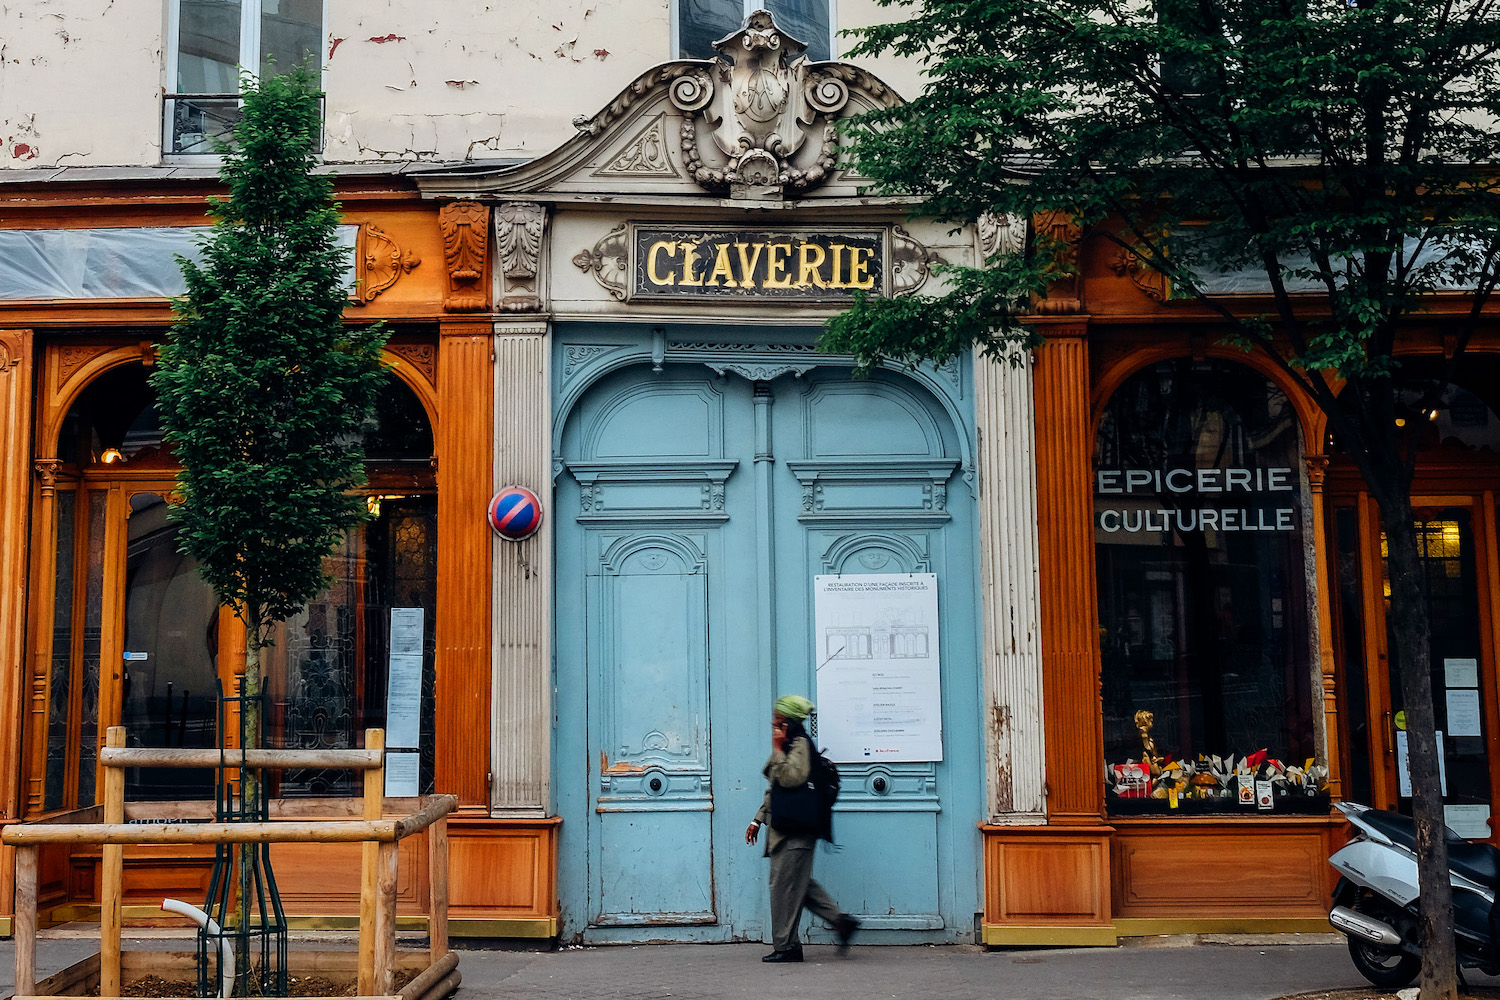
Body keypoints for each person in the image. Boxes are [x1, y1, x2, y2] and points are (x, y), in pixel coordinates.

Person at [745, 694, 860, 963]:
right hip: (788, 830)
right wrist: (757, 820)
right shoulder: (790, 744)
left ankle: (787, 947)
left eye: (777, 717)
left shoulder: (800, 745)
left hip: (794, 832)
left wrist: (777, 749)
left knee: (784, 889)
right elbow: (775, 789)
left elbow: (789, 778)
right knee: (798, 885)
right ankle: (842, 923)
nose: (773, 722)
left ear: (787, 720)